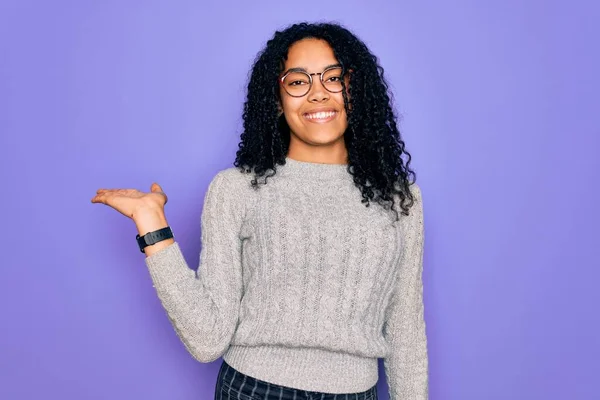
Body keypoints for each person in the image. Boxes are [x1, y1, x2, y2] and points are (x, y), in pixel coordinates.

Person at [91, 22, 428, 400]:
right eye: (298, 82)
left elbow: (406, 331)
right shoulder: (236, 190)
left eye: (334, 78)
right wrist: (152, 225)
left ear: (357, 89)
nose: (317, 94)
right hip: (254, 390)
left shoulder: (400, 199)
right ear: (277, 97)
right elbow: (207, 339)